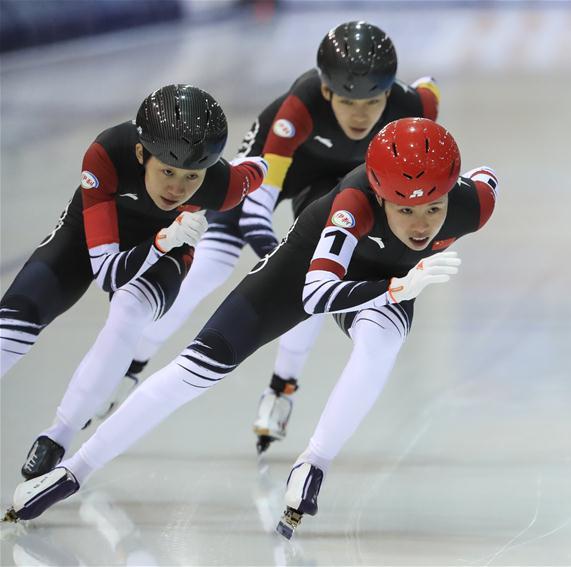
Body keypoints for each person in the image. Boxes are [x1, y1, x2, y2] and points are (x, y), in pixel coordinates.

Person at [7, 118, 499, 541]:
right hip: (303, 272)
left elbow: (486, 178)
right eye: (404, 208)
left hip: (386, 281)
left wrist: (394, 286)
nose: (420, 226)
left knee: (381, 344)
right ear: (376, 190)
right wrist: (395, 288)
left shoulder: (471, 204)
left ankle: (315, 461)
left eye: (433, 207)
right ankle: (76, 469)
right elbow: (315, 296)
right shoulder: (353, 203)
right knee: (194, 370)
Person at [120, 21, 441, 453]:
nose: (360, 115)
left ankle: (281, 388)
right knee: (212, 262)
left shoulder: (410, 105)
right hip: (272, 171)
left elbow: (429, 92)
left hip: (339, 186)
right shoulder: (301, 105)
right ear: (327, 92)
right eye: (347, 100)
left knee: (312, 280)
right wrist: (275, 251)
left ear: (389, 94)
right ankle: (133, 363)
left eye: (372, 101)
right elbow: (258, 202)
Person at [0, 84, 267, 480]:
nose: (177, 188)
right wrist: (162, 240)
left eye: (192, 176)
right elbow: (108, 272)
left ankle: (58, 436)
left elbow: (259, 169)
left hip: (169, 255)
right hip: (90, 235)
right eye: (167, 171)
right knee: (13, 322)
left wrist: (167, 245)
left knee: (129, 313)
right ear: (142, 153)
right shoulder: (107, 154)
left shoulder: (222, 185)